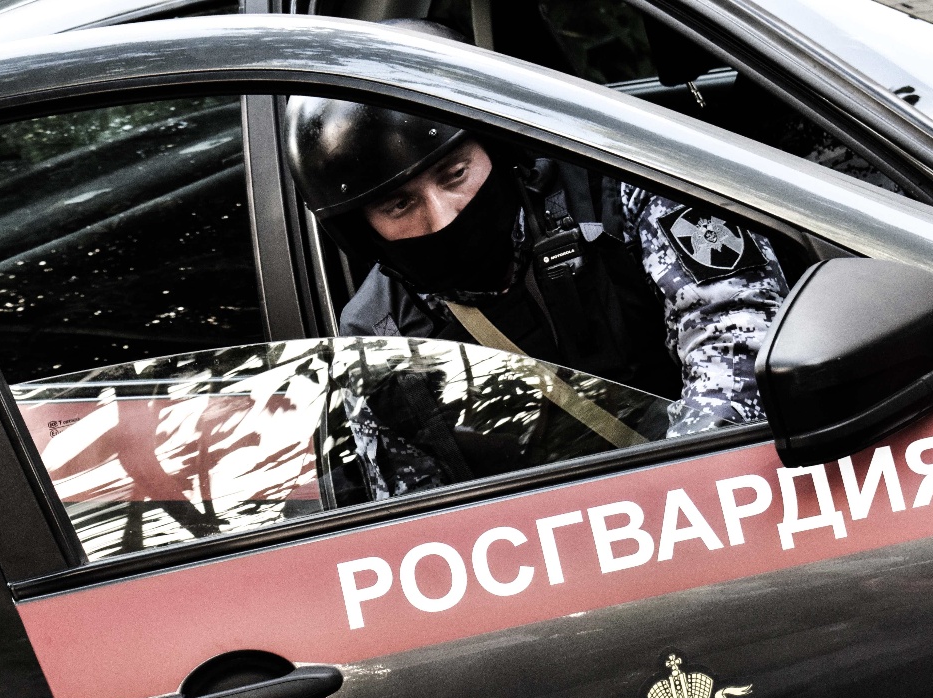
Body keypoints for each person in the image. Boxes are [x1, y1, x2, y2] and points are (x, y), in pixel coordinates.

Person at [284, 22, 794, 437]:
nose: (443, 216)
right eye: (400, 205)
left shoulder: (620, 196)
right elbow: (410, 509)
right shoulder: (378, 337)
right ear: (361, 229)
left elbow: (737, 347)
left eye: (455, 175)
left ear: (494, 147)